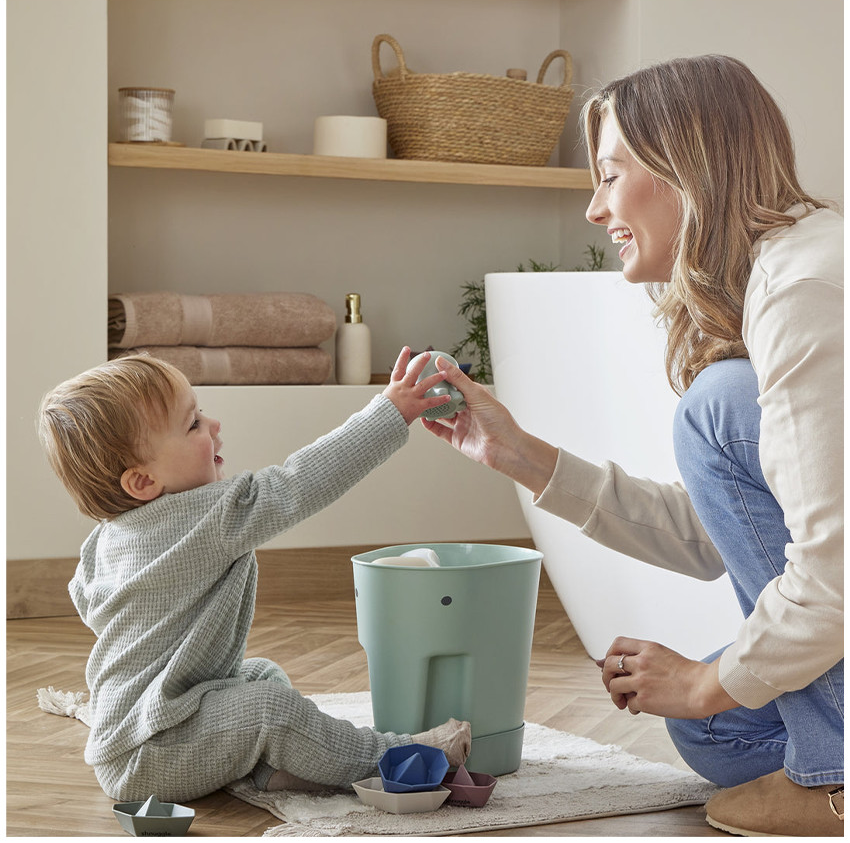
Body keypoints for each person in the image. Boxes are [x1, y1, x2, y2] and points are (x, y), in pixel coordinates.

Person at [423, 54, 842, 837]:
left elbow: (835, 578)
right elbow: (722, 535)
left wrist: (706, 681)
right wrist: (517, 454)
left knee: (717, 407)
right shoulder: (785, 274)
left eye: (610, 176)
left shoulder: (804, 292)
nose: (594, 208)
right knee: (712, 733)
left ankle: (834, 779)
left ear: (685, 170)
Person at [37, 349, 471, 803]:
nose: (213, 424)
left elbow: (86, 597)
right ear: (143, 481)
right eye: (193, 425)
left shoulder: (108, 536)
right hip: (151, 755)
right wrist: (390, 413)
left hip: (147, 733)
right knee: (269, 708)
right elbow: (300, 482)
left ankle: (272, 770)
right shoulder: (207, 516)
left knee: (261, 675)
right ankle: (395, 757)